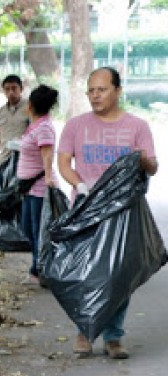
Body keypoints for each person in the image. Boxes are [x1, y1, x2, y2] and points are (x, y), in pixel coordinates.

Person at [57, 66, 158, 360]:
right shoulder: (76, 126)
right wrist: (80, 185)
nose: (95, 95)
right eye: (90, 90)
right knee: (84, 273)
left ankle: (114, 337)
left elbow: (152, 166)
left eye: (101, 89)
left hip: (123, 212)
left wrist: (143, 161)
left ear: (117, 91)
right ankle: (84, 331)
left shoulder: (137, 127)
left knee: (118, 275)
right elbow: (64, 162)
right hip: (86, 208)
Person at [16, 84, 59, 285]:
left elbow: (47, 154)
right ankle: (39, 267)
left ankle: (38, 270)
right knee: (28, 227)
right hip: (30, 187)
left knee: (37, 231)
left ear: (30, 104)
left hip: (40, 187)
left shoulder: (44, 128)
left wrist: (49, 177)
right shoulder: (36, 125)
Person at [0, 74, 29, 170]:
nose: (11, 92)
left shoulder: (31, 108)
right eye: (7, 89)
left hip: (26, 162)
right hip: (4, 161)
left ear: (21, 89)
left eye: (14, 88)